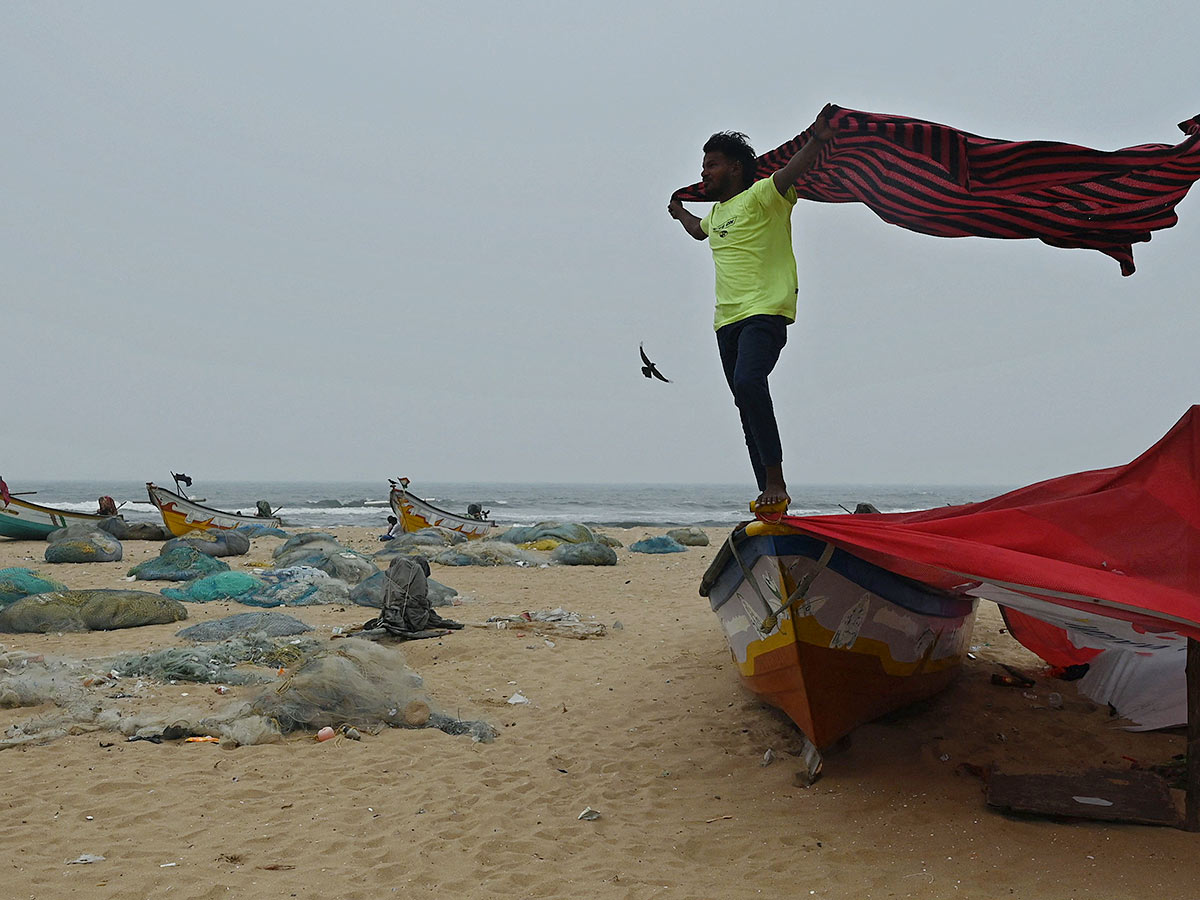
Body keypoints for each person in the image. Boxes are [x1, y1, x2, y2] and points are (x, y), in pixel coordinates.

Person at [668, 114, 834, 513]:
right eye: (703, 165)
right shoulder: (717, 213)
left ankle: (776, 480)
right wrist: (678, 211)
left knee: (748, 381)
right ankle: (769, 496)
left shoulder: (763, 195)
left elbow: (791, 170)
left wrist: (817, 138)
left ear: (736, 167)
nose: (704, 172)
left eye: (712, 164)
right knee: (744, 404)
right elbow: (698, 230)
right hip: (726, 321)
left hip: (765, 311)